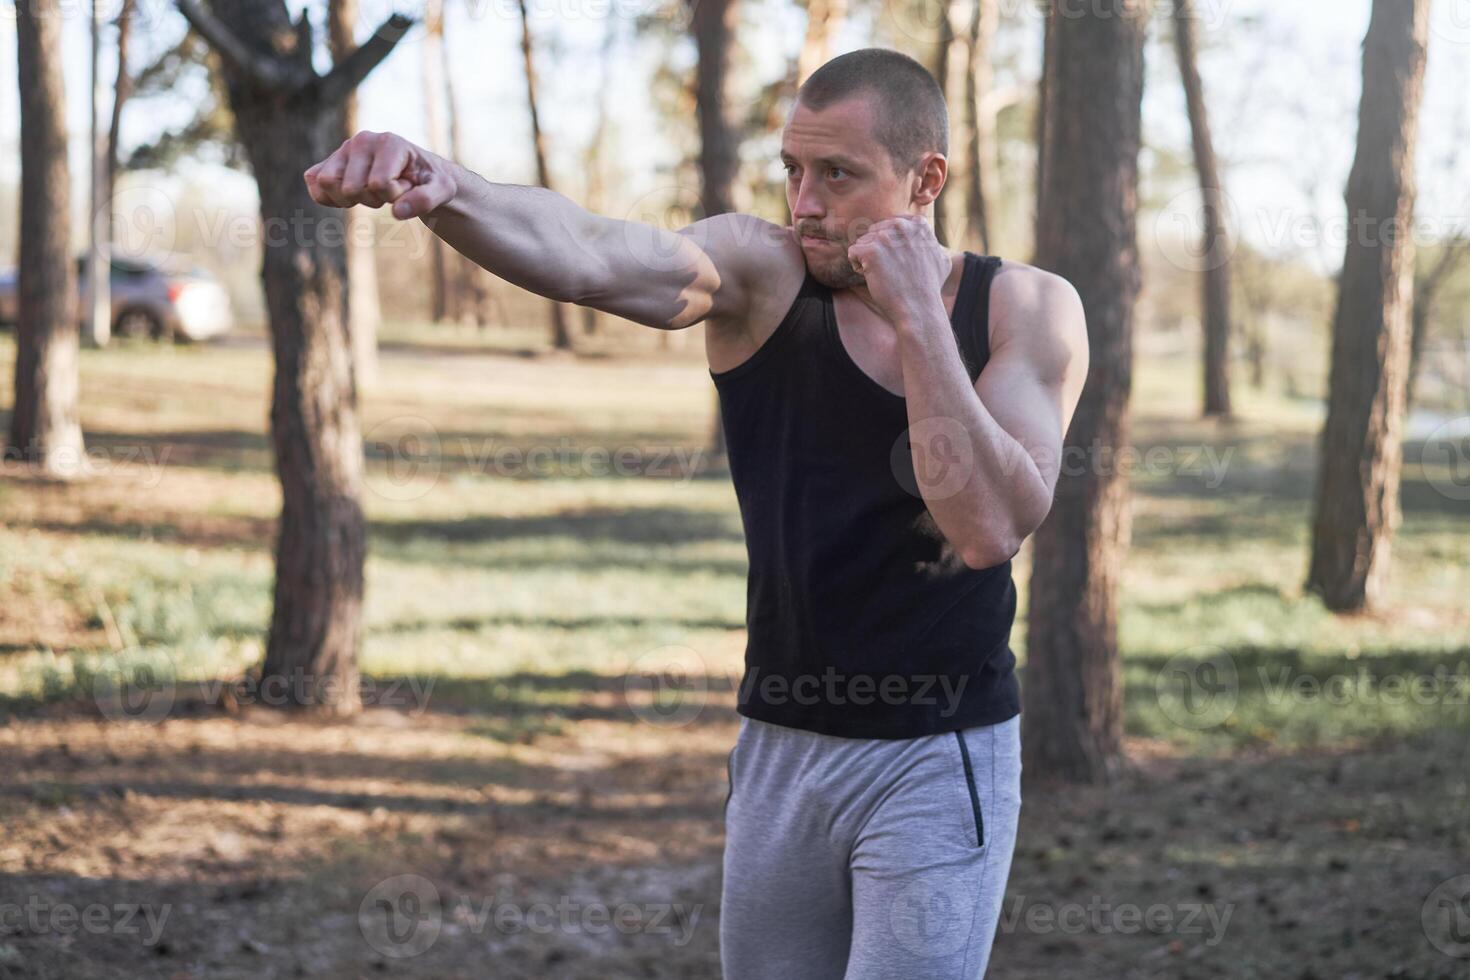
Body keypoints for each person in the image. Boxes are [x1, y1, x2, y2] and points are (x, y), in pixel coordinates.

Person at [305, 45, 1087, 980]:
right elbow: (592, 254)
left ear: (927, 180)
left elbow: (989, 526)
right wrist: (443, 184)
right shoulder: (760, 273)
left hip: (939, 751)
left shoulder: (1027, 308)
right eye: (793, 171)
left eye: (838, 175)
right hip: (780, 745)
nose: (805, 204)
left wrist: (919, 314)